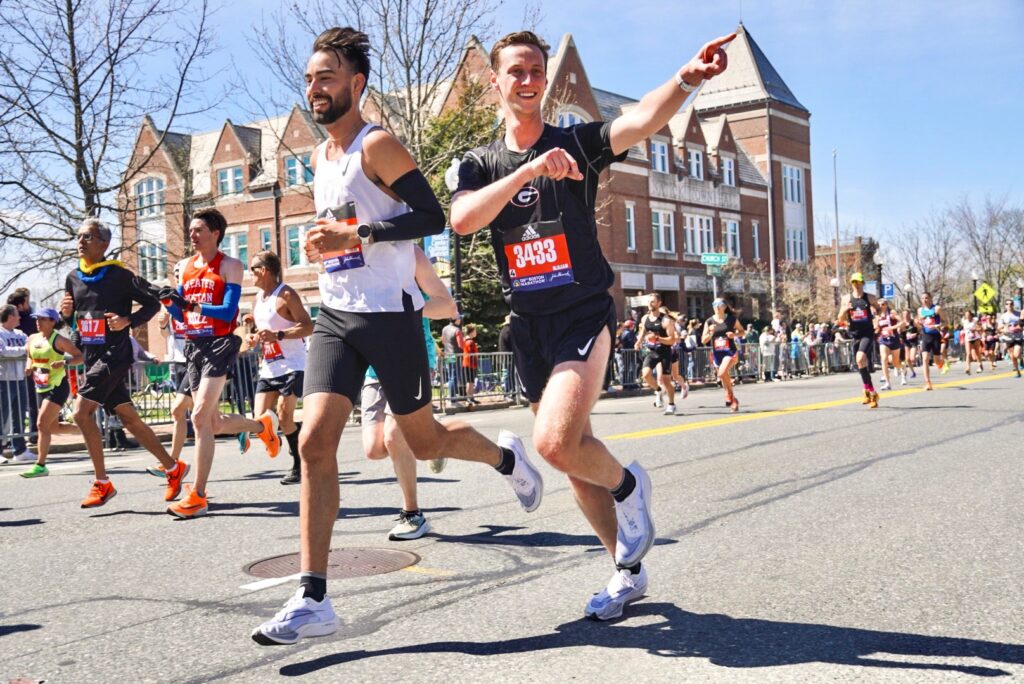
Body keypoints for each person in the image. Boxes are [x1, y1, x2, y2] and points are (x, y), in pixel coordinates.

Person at [251, 27, 544, 646]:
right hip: (335, 316)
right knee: (314, 445)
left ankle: (506, 459)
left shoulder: (375, 144)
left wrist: (358, 235)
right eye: (309, 78)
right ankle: (312, 596)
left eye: (326, 77)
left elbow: (433, 216)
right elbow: (345, 228)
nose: (315, 87)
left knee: (425, 436)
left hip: (390, 316)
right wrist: (327, 242)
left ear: (356, 85)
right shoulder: (323, 158)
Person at [449, 28, 734, 620]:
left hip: (581, 311)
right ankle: (627, 571)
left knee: (555, 443)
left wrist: (687, 77)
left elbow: (637, 123)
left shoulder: (576, 143)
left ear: (544, 79)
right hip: (527, 324)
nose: (526, 81)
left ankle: (631, 488)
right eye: (516, 72)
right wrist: (529, 173)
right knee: (571, 458)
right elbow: (464, 220)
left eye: (535, 71)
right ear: (496, 82)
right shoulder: (478, 163)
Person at [162, 208, 282, 518]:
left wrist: (191, 303)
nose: (192, 234)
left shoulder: (230, 265)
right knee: (213, 423)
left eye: (199, 229)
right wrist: (167, 302)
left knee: (199, 417)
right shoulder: (184, 267)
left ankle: (198, 495)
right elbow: (182, 315)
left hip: (220, 344)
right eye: (191, 229)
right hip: (193, 346)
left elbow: (228, 312)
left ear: (216, 233)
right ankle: (261, 425)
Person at [59, 218, 188, 507]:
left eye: (88, 237)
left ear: (104, 244)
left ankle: (102, 482)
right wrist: (66, 316)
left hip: (114, 355)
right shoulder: (73, 277)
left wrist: (128, 320)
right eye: (79, 236)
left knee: (81, 414)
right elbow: (77, 324)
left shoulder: (119, 276)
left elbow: (153, 302)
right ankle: (173, 468)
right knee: (130, 419)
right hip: (93, 357)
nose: (81, 241)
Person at [362, 246, 455, 540]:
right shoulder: (355, 258)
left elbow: (447, 306)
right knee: (375, 448)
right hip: (374, 365)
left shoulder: (410, 255)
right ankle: (434, 437)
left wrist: (407, 305)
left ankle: (412, 513)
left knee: (393, 437)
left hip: (412, 358)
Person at [245, 250, 313, 485]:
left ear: (264, 271)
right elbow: (264, 332)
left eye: (252, 268)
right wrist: (255, 338)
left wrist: (279, 334)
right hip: (269, 367)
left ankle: (299, 464)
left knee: (284, 417)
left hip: (293, 365)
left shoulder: (286, 294)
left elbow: (308, 326)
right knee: (259, 419)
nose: (249, 273)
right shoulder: (258, 298)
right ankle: (295, 433)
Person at [19, 308, 83, 478]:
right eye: (37, 318)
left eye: (42, 319)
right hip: (41, 386)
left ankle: (40, 465)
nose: (38, 322)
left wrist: (64, 362)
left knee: (41, 424)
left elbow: (80, 356)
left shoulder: (60, 340)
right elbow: (30, 355)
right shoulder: (33, 338)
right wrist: (29, 364)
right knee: (52, 427)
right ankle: (87, 430)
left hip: (57, 386)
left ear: (53, 321)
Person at [837, 272, 880, 408]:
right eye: (854, 282)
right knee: (861, 364)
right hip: (855, 334)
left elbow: (880, 309)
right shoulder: (846, 299)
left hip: (867, 332)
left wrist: (877, 319)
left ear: (863, 283)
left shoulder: (870, 298)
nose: (856, 284)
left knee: (860, 358)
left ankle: (873, 394)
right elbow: (840, 319)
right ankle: (867, 391)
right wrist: (845, 309)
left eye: (859, 282)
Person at [636, 293, 678, 415]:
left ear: (659, 303)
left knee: (666, 380)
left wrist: (658, 339)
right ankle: (658, 391)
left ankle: (671, 404)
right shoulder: (645, 318)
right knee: (646, 375)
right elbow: (643, 330)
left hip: (665, 352)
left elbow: (672, 340)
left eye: (653, 301)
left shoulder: (666, 320)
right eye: (649, 301)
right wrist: (638, 341)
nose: (650, 304)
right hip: (652, 351)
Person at [701, 298, 745, 412]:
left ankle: (728, 395)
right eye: (714, 304)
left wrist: (734, 334)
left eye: (718, 304)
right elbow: (703, 340)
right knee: (724, 378)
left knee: (722, 372)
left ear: (724, 306)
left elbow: (742, 332)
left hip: (730, 351)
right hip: (717, 353)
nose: (715, 306)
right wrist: (711, 333)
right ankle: (733, 400)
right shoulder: (709, 321)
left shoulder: (731, 319)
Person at [8, 288, 39, 445]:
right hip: (11, 373)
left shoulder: (26, 324)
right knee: (13, 407)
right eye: (27, 302)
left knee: (26, 405)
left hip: (26, 369)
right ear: (20, 306)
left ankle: (28, 438)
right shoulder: (27, 322)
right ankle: (11, 441)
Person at [0, 305, 31, 462]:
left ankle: (19, 450)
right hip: (3, 380)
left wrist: (25, 350)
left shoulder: (20, 333)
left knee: (18, 416)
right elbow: (2, 351)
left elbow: (30, 348)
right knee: (2, 416)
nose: (19, 318)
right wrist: (22, 350)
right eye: (17, 315)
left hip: (19, 379)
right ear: (10, 316)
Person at [915, 291, 946, 390]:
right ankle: (928, 382)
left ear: (931, 298)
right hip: (925, 336)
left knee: (937, 360)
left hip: (935, 335)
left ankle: (942, 363)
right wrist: (918, 323)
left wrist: (939, 325)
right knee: (925, 359)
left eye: (927, 298)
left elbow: (945, 321)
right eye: (923, 298)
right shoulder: (920, 310)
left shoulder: (937, 309)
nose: (925, 300)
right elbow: (920, 323)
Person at [875, 299, 905, 390]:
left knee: (895, 363)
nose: (881, 306)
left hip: (893, 339)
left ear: (887, 305)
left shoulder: (892, 313)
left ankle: (903, 370)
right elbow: (877, 327)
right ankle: (888, 383)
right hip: (883, 340)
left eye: (883, 304)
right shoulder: (878, 316)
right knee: (884, 359)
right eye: (879, 305)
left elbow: (902, 322)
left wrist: (892, 327)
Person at [440, 315, 465, 402]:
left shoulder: (444, 329)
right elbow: (461, 345)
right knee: (454, 377)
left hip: (448, 354)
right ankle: (452, 397)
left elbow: (443, 341)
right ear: (456, 320)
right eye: (459, 318)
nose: (460, 320)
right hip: (455, 355)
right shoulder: (457, 330)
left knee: (451, 376)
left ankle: (451, 396)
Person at [998, 300, 1022, 377]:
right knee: (1012, 356)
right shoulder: (1003, 316)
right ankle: (1017, 372)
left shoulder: (1018, 314)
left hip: (1018, 337)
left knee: (1016, 354)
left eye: (1011, 304)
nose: (1009, 305)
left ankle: (1021, 360)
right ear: (1005, 305)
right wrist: (1004, 330)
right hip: (1008, 338)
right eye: (1007, 304)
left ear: (1013, 305)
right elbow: (999, 328)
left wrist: (1017, 328)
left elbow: (1022, 324)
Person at [461, 323, 479, 406]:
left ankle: (471, 397)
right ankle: (469, 398)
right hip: (469, 364)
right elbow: (471, 354)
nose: (476, 333)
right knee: (470, 381)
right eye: (475, 331)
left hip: (468, 364)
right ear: (471, 332)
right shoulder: (470, 342)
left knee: (471, 381)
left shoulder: (466, 340)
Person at [960, 310, 983, 375]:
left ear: (971, 315)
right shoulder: (964, 321)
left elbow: (980, 328)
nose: (967, 316)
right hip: (968, 339)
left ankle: (980, 365)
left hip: (975, 338)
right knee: (968, 353)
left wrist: (975, 329)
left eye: (969, 315)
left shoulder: (975, 320)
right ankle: (968, 368)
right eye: (966, 315)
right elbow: (964, 329)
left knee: (977, 353)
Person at [902, 310, 919, 379]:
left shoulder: (913, 322)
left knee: (912, 359)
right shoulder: (902, 323)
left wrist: (916, 334)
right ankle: (913, 372)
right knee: (907, 359)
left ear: (909, 314)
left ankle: (917, 355)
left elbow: (920, 330)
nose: (906, 316)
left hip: (913, 342)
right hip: (906, 342)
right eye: (904, 314)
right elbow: (898, 331)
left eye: (907, 314)